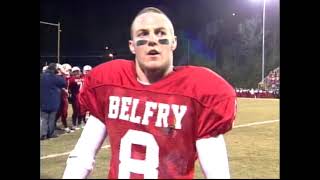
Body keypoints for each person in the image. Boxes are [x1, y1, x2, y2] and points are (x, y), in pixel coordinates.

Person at [63, 7, 237, 179]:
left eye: (161, 33)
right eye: (143, 34)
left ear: (174, 42)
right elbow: (83, 155)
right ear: (132, 46)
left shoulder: (199, 91)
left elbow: (217, 173)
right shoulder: (109, 84)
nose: (152, 40)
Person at [40, 63, 66, 140]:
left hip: (42, 100)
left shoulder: (41, 76)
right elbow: (64, 83)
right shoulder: (55, 77)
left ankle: (43, 134)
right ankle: (50, 134)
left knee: (44, 118)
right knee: (51, 118)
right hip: (53, 101)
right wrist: (62, 73)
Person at [68, 66, 83, 130]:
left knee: (81, 111)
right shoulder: (71, 79)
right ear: (73, 72)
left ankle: (79, 123)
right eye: (75, 71)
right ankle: (74, 124)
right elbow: (69, 86)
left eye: (77, 71)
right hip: (75, 96)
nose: (77, 73)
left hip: (81, 96)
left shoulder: (82, 77)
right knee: (76, 111)